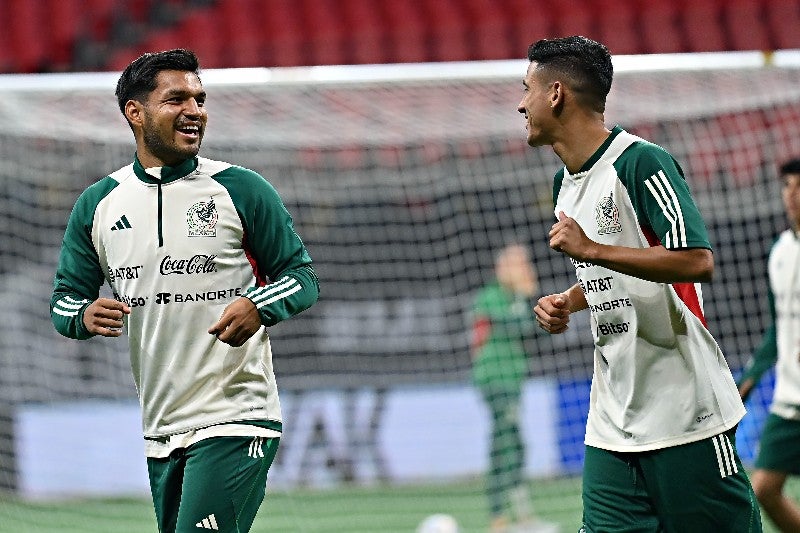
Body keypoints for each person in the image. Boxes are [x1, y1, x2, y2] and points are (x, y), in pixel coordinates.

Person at [50, 49, 319, 533]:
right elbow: (64, 299)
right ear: (135, 112)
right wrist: (83, 314)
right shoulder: (98, 205)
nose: (195, 111)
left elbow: (301, 277)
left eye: (199, 99)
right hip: (161, 427)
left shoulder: (241, 188)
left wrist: (258, 306)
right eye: (177, 99)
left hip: (237, 413)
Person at [519, 36, 761, 532]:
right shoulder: (565, 184)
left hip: (684, 411)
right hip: (612, 418)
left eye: (527, 90)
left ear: (556, 94)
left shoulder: (640, 163)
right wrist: (569, 299)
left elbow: (696, 261)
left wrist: (590, 249)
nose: (521, 104)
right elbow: (613, 273)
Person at [471, 244, 554, 532]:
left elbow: (540, 335)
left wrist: (529, 299)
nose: (525, 268)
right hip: (495, 380)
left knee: (515, 446)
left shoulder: (516, 299)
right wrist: (527, 297)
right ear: (502, 267)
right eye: (519, 263)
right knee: (504, 444)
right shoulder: (492, 296)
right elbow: (518, 327)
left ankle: (521, 514)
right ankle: (498, 516)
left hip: (512, 381)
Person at [737, 158, 800, 532]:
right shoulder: (780, 252)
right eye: (787, 186)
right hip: (789, 399)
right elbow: (780, 327)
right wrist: (751, 377)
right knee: (764, 489)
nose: (792, 195)